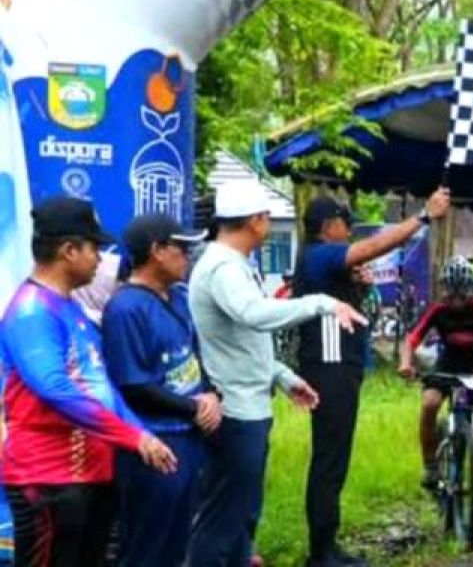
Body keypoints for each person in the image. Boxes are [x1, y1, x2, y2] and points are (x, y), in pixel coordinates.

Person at [187, 183, 367, 567]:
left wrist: (282, 376)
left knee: (242, 516)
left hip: (250, 406)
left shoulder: (235, 265)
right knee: (223, 520)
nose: (268, 226)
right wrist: (322, 303)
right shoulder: (222, 267)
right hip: (235, 411)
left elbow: (244, 338)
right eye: (267, 218)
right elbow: (254, 315)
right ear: (255, 221)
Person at [0, 197, 177, 567]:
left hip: (90, 475)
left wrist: (141, 432)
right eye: (94, 248)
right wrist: (132, 437)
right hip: (47, 481)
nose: (100, 259)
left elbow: (101, 385)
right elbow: (55, 389)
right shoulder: (31, 312)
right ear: (68, 251)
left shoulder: (70, 307)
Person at [293, 190, 450, 567]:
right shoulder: (319, 254)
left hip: (339, 367)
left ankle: (327, 546)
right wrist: (423, 217)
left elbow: (348, 298)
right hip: (329, 368)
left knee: (334, 459)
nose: (349, 231)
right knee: (329, 461)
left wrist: (359, 287)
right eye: (345, 223)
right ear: (328, 226)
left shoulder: (324, 263)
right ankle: (321, 553)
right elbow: (373, 247)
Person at [101, 214, 215, 567]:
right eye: (181, 248)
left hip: (189, 439)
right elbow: (134, 385)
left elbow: (195, 355)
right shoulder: (126, 309)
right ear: (157, 251)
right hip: (154, 444)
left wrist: (212, 396)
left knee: (176, 544)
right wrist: (193, 408)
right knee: (147, 547)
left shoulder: (178, 297)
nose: (187, 256)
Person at [399, 256, 473, 538]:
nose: (457, 301)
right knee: (429, 403)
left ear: (471, 289)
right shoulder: (438, 309)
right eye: (452, 294)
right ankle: (430, 466)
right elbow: (412, 339)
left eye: (463, 294)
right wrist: (406, 363)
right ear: (446, 289)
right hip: (446, 368)